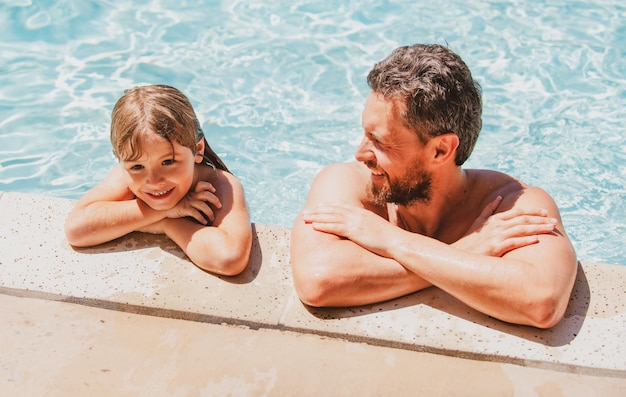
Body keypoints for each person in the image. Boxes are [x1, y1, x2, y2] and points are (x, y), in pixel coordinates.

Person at [290, 44, 577, 328]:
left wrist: (392, 241)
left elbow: (541, 302)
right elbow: (318, 280)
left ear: (441, 150)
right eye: (365, 134)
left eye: (380, 141)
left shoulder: (514, 205)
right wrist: (466, 252)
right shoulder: (346, 183)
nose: (361, 153)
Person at [65, 85, 252, 276]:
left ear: (198, 149)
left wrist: (168, 224)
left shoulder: (219, 186)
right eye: (137, 167)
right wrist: (164, 214)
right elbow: (77, 230)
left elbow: (229, 259)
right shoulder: (129, 174)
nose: (153, 180)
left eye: (168, 161)